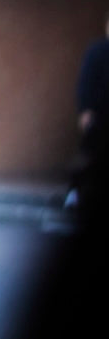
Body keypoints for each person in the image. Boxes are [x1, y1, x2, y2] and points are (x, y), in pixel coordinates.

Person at [70, 13, 109, 211]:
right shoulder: (97, 50)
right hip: (100, 115)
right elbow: (85, 82)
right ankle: (75, 193)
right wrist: (85, 111)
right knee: (89, 155)